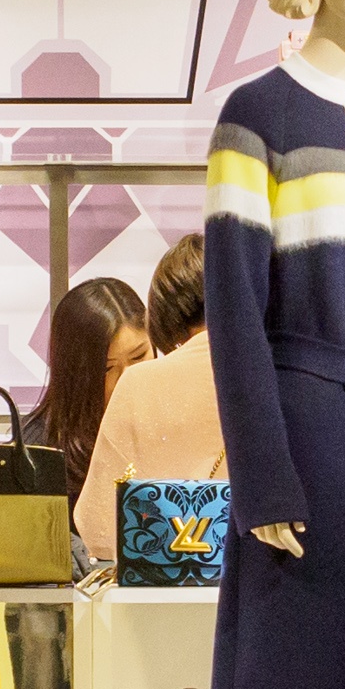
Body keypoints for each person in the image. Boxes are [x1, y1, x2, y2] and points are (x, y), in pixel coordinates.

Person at [74, 232, 225, 563]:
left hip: (163, 598)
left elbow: (96, 527)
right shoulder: (287, 375)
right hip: (276, 590)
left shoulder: (140, 385)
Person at [35, 272, 148, 509]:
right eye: (107, 369)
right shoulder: (38, 454)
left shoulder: (171, 419)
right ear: (75, 374)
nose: (126, 377)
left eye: (139, 356)